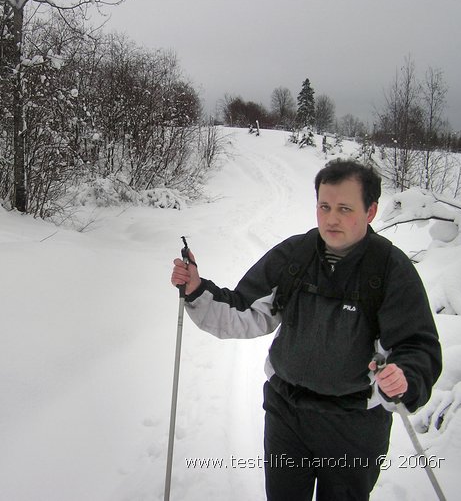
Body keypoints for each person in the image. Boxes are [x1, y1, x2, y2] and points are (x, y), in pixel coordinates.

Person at [170, 159, 441, 501]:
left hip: (354, 425)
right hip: (287, 414)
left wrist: (406, 378)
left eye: (345, 208)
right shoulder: (294, 255)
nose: (331, 218)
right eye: (324, 206)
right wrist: (196, 289)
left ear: (370, 211)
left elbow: (418, 347)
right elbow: (244, 310)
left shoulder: (391, 269)